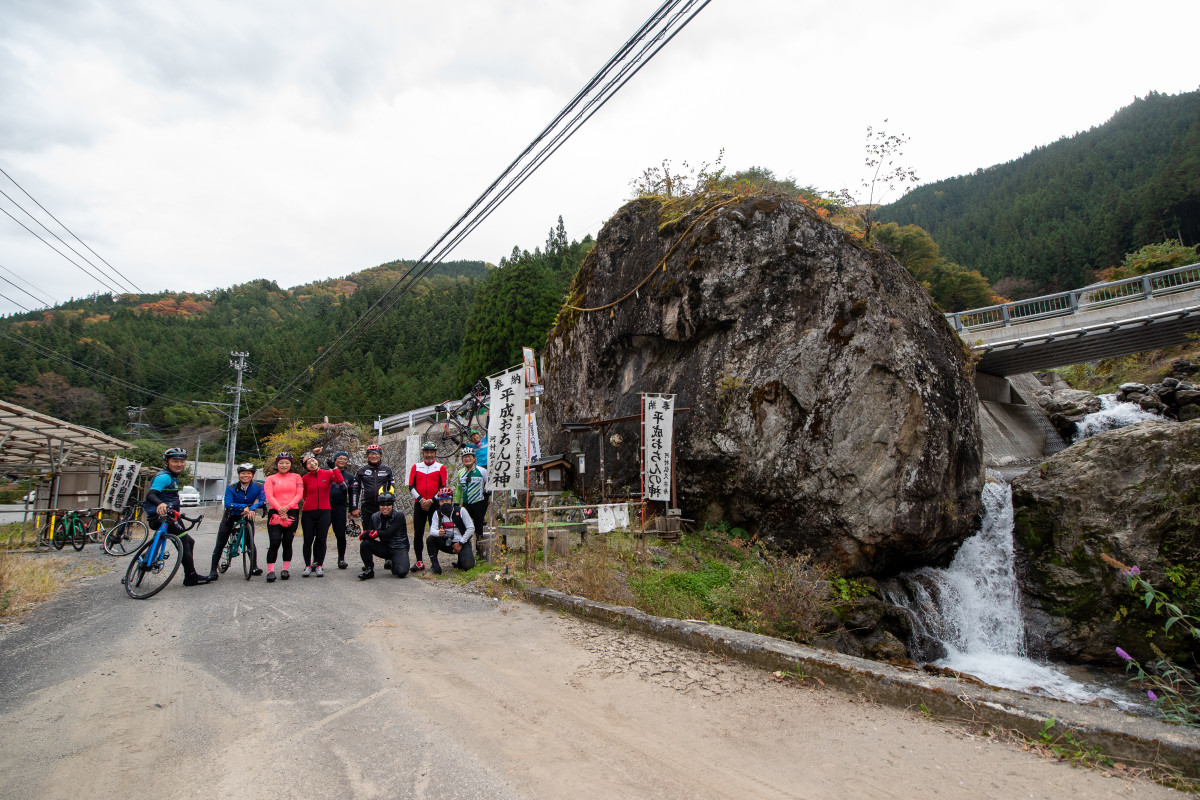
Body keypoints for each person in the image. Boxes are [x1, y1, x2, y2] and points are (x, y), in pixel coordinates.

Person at [144, 447, 209, 586]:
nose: (179, 464)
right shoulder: (165, 476)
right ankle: (190, 576)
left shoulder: (172, 476)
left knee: (189, 542)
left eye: (182, 461)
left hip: (170, 515)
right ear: (166, 462)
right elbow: (151, 494)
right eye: (175, 461)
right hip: (162, 517)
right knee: (184, 542)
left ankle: (145, 560)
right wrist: (160, 504)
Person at [207, 463, 265, 581]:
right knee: (220, 542)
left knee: (250, 542)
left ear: (252, 475)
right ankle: (213, 570)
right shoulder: (231, 487)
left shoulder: (259, 486)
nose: (245, 475)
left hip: (247, 514)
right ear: (239, 475)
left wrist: (251, 508)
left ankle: (254, 567)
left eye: (248, 473)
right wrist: (243, 507)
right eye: (243, 473)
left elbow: (263, 501)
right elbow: (228, 503)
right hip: (231, 515)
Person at [298, 448, 345, 577]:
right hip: (308, 511)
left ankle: (319, 565)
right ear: (306, 467)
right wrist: (309, 502)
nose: (312, 464)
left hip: (325, 510)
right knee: (308, 540)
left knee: (321, 539)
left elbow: (340, 480)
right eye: (308, 463)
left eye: (313, 461)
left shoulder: (327, 473)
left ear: (316, 461)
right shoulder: (305, 478)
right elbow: (303, 494)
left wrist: (334, 467)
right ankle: (307, 565)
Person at [263, 451, 303, 583]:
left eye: (287, 462)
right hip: (275, 511)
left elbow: (299, 494)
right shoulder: (271, 479)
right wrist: (280, 508)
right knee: (274, 541)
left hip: (292, 511)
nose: (284, 465)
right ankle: (270, 571)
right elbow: (269, 496)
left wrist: (288, 507)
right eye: (281, 463)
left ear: (291, 464)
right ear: (277, 464)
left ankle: (285, 569)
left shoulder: (297, 477)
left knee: (288, 541)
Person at [408, 442, 447, 572]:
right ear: (423, 453)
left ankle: (433, 560)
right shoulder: (416, 466)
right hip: (419, 503)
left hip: (434, 503)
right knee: (418, 533)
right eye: (426, 452)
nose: (429, 455)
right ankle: (419, 561)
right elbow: (411, 486)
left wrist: (430, 500)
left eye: (431, 452)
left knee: (434, 532)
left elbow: (442, 486)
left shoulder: (441, 467)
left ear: (435, 453)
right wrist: (421, 500)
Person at [358, 492, 410, 579]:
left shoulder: (399, 516)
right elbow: (370, 533)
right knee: (365, 544)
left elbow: (389, 532)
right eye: (382, 504)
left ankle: (395, 562)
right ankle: (369, 569)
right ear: (379, 505)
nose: (385, 507)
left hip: (399, 547)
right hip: (385, 547)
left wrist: (376, 533)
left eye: (388, 504)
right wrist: (365, 534)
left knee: (401, 573)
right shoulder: (374, 517)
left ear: (392, 505)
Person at [425, 486, 475, 574]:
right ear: (438, 502)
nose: (445, 503)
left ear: (451, 500)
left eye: (447, 500)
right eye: (442, 501)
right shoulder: (437, 514)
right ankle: (435, 564)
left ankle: (460, 561)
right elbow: (432, 530)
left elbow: (471, 528)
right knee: (430, 539)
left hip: (462, 542)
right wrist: (439, 532)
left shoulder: (461, 511)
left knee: (468, 566)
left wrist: (461, 542)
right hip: (446, 541)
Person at [351, 443, 394, 539]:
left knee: (385, 533)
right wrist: (354, 507)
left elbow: (392, 487)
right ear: (367, 456)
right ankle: (367, 552)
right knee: (367, 533)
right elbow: (355, 490)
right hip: (367, 506)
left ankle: (387, 553)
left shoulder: (387, 470)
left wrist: (389, 503)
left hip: (383, 506)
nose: (374, 456)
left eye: (376, 453)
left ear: (380, 455)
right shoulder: (361, 471)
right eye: (371, 454)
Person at [453, 446, 488, 558]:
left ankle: (480, 553)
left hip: (479, 503)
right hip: (466, 504)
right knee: (464, 528)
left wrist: (487, 496)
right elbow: (459, 489)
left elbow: (488, 485)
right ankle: (465, 554)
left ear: (474, 458)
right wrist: (456, 503)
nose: (467, 459)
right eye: (465, 457)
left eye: (469, 457)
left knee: (478, 528)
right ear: (462, 459)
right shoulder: (460, 473)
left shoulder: (482, 471)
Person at [326, 450, 356, 569]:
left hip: (340, 507)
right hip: (325, 507)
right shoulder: (326, 472)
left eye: (345, 459)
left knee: (340, 534)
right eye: (340, 458)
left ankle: (341, 559)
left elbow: (353, 493)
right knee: (321, 534)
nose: (342, 460)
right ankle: (317, 560)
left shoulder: (349, 477)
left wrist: (352, 510)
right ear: (334, 460)